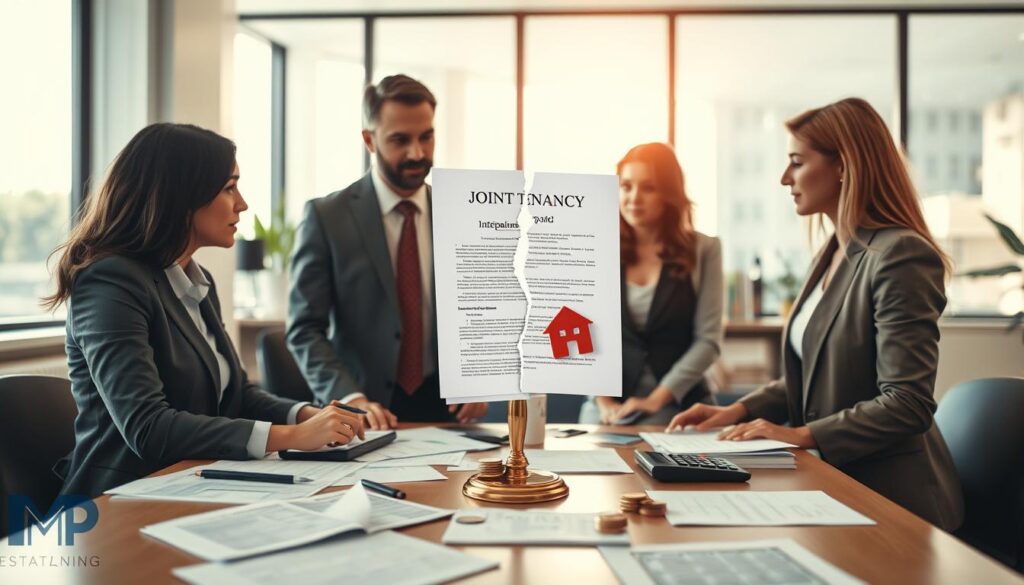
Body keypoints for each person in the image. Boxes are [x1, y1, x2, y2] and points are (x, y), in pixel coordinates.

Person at [666, 98, 964, 532]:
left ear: (843, 165)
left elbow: (907, 404)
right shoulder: (834, 251)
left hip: (893, 499)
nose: (785, 178)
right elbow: (813, 374)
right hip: (833, 483)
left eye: (797, 162)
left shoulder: (900, 254)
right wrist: (737, 410)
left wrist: (802, 434)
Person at [45, 123, 364, 499]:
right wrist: (290, 437)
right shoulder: (110, 282)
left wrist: (304, 414)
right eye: (229, 187)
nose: (242, 203)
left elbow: (237, 396)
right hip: (121, 498)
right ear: (180, 195)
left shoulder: (196, 280)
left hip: (196, 481)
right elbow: (147, 427)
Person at [287, 74, 487, 429]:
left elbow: (482, 306)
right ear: (369, 140)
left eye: (426, 137)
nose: (417, 153)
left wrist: (481, 375)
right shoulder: (326, 217)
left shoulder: (463, 212)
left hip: (449, 414)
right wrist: (350, 398)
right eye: (400, 140)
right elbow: (304, 329)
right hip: (362, 415)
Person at [578, 143, 724, 426]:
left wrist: (655, 400)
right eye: (626, 186)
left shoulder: (704, 250)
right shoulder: (595, 247)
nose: (634, 198)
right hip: (606, 408)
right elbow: (577, 328)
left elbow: (708, 340)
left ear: (669, 193)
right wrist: (604, 401)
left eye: (648, 188)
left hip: (680, 407)